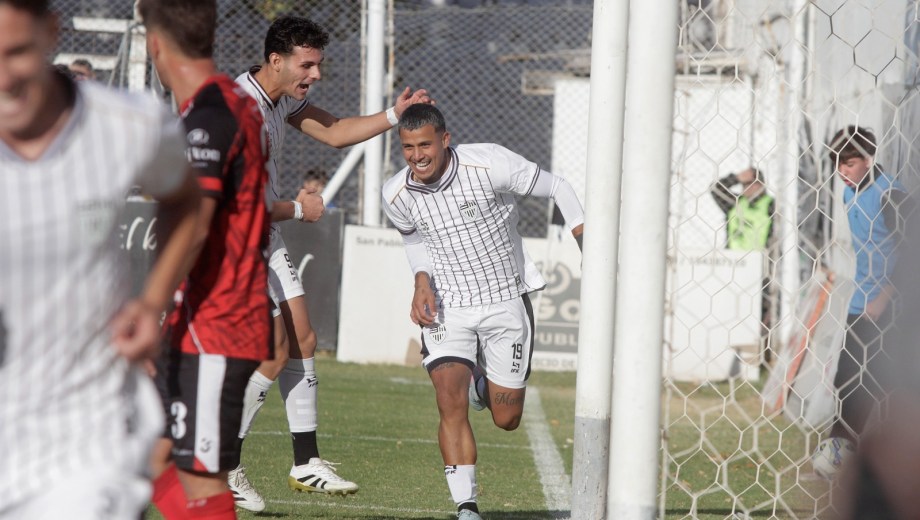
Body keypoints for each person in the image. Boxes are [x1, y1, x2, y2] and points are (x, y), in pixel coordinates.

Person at [0, 1, 201, 518]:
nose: (3, 77)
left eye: (16, 53)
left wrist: (152, 299)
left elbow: (184, 198)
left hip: (86, 436)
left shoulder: (125, 124)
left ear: (50, 31)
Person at [228, 15, 433, 508]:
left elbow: (337, 131)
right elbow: (237, 202)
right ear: (275, 60)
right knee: (275, 350)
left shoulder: (278, 97)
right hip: (236, 237)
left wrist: (393, 114)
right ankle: (220, 464)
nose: (315, 74)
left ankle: (305, 461)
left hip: (266, 232)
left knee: (303, 339)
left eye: (317, 64)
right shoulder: (241, 112)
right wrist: (302, 208)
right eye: (308, 64)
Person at [382, 104, 584, 520]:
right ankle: (466, 507)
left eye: (424, 145)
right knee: (446, 399)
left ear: (445, 140)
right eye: (407, 148)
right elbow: (414, 240)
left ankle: (481, 389)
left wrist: (588, 245)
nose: (417, 156)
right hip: (447, 306)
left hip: (505, 300)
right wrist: (421, 278)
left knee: (507, 417)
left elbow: (559, 188)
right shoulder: (396, 193)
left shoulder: (490, 163)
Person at [137, 1, 274, 518]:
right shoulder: (228, 103)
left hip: (216, 327)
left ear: (155, 44)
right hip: (197, 322)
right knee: (149, 455)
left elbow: (196, 222)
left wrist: (148, 309)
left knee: (202, 483)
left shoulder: (211, 115)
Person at [810, 125, 910, 481]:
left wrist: (884, 298)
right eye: (836, 164)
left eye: (849, 164)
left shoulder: (891, 197)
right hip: (860, 305)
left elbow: (912, 255)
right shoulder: (850, 194)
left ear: (868, 159)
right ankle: (838, 458)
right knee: (846, 382)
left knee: (885, 386)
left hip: (892, 310)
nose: (842, 172)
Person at [710, 167, 778, 364]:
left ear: (761, 185)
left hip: (760, 268)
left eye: (751, 184)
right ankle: (728, 355)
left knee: (758, 312)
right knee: (730, 310)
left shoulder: (771, 205)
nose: (747, 189)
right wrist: (737, 177)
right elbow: (716, 189)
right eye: (744, 185)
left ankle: (758, 358)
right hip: (733, 266)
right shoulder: (735, 202)